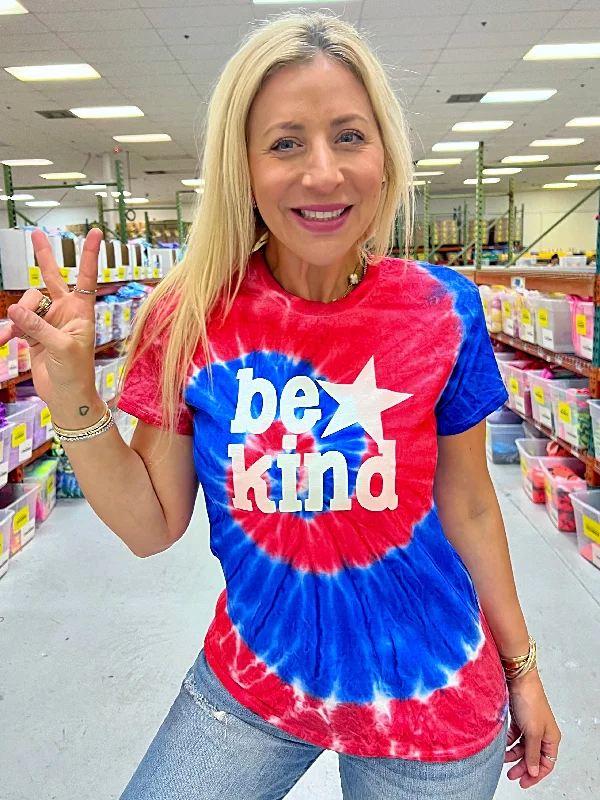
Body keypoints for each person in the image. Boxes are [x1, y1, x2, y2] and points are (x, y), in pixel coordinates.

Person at [1, 12, 560, 800]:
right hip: (254, 681)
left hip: (428, 697)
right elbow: (150, 525)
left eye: (350, 136)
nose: (323, 174)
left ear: (385, 154)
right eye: (286, 142)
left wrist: (524, 673)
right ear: (245, 167)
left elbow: (469, 506)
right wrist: (71, 398)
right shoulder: (188, 313)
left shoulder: (442, 309)